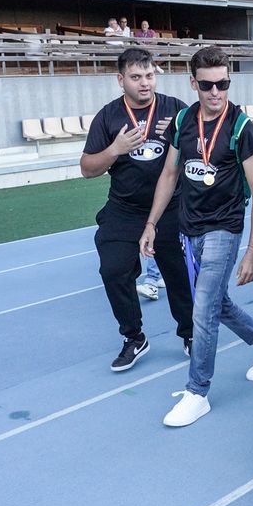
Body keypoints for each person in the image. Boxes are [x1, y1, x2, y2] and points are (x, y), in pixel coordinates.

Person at [141, 46, 253, 427]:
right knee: (216, 303)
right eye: (207, 85)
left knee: (202, 306)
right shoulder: (183, 122)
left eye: (223, 83)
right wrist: (152, 223)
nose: (216, 92)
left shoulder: (241, 128)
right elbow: (170, 175)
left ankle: (197, 392)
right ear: (194, 83)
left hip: (225, 226)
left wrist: (252, 251)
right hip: (190, 230)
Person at [79, 46, 194, 371]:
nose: (145, 83)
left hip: (171, 208)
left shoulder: (175, 109)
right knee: (113, 270)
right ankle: (134, 337)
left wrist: (178, 137)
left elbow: (202, 150)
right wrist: (115, 149)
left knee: (179, 276)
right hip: (125, 209)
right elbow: (87, 168)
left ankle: (190, 333)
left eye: (149, 75)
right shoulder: (109, 116)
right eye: (136, 77)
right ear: (121, 80)